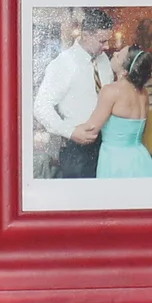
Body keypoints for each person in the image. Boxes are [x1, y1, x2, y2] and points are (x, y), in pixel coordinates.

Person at [33, 9, 115, 179]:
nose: (107, 46)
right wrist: (70, 132)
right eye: (102, 41)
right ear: (86, 35)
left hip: (107, 144)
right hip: (77, 150)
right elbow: (41, 106)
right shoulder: (64, 64)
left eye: (108, 40)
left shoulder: (104, 59)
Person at [75, 47, 152, 179]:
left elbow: (91, 129)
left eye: (119, 55)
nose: (114, 53)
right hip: (140, 158)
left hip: (116, 160)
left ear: (125, 71)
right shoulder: (144, 93)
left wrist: (66, 128)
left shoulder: (111, 91)